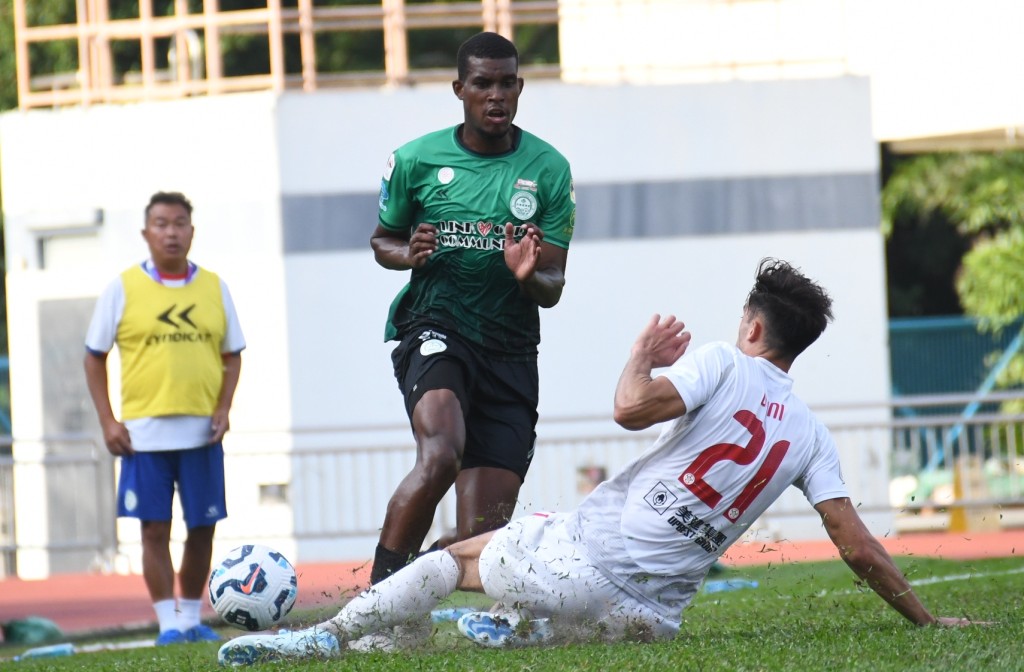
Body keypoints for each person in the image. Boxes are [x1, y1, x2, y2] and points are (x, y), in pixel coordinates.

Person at [217, 258, 975, 665]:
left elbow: (628, 409)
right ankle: (525, 629)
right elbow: (856, 547)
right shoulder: (811, 434)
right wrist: (927, 616)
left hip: (587, 568)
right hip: (653, 619)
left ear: (751, 324)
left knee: (455, 558)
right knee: (546, 537)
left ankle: (329, 637)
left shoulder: (721, 360)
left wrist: (641, 355)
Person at [366, 30, 576, 587]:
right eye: (483, 84)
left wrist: (530, 275)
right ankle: (378, 603)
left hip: (509, 349)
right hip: (437, 327)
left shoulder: (549, 169)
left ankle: (420, 577)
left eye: (507, 83)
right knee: (440, 454)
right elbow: (382, 240)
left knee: (480, 538)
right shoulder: (415, 160)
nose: (496, 95)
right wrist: (406, 251)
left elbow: (553, 284)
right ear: (460, 88)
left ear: (520, 87)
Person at [84, 191, 246, 646]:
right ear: (146, 232)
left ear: (191, 232)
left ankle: (192, 619)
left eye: (179, 223)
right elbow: (93, 357)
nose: (171, 232)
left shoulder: (214, 287)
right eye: (161, 224)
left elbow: (232, 355)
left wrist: (223, 407)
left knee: (201, 526)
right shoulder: (122, 288)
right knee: (154, 528)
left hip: (202, 433)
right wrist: (108, 421)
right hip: (143, 435)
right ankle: (167, 624)